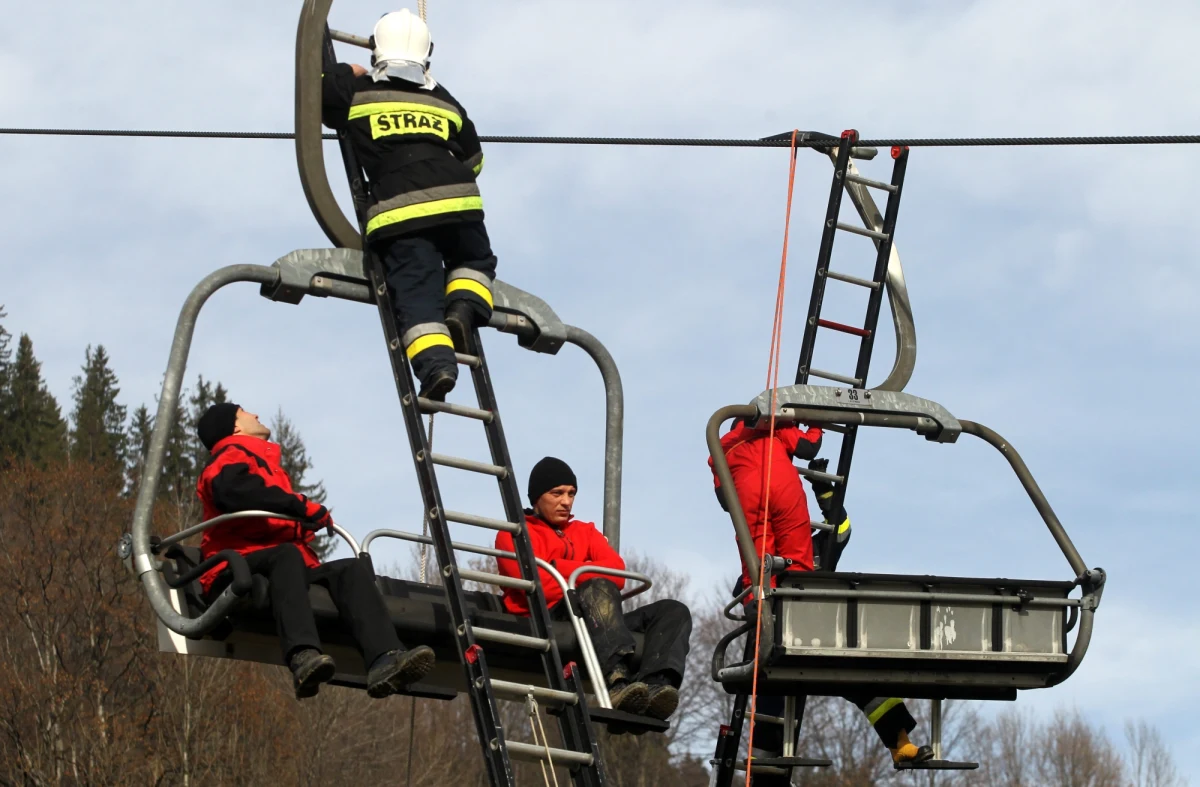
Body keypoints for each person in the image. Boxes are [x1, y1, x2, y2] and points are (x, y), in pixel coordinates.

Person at [709, 420, 932, 767]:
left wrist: (824, 492)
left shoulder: (817, 550)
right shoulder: (762, 564)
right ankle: (765, 769)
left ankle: (901, 744)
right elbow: (747, 581)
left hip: (818, 634)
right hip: (776, 641)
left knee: (865, 677)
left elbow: (841, 530)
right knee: (770, 697)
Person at [195, 402, 435, 699]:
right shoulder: (229, 458)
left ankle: (384, 658)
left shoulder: (261, 464)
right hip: (235, 567)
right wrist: (299, 506)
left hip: (276, 563)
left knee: (348, 569)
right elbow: (234, 493)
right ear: (235, 426)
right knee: (286, 554)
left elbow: (264, 510)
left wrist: (300, 521)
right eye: (245, 412)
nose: (255, 414)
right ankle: (303, 656)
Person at [322, 9, 496, 402]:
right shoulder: (443, 98)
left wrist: (348, 71)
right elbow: (475, 160)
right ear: (427, 53)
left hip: (400, 213)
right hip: (458, 202)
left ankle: (438, 368)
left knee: (417, 292)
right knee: (474, 261)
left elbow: (318, 94)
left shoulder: (358, 92)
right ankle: (464, 309)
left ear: (376, 48)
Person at [495, 457, 692, 720]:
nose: (566, 501)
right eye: (557, 493)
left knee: (673, 611)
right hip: (551, 617)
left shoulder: (584, 531)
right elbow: (537, 586)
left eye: (571, 494)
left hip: (595, 618)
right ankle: (617, 681)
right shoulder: (514, 534)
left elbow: (617, 573)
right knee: (597, 586)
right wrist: (586, 569)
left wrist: (557, 567)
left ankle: (657, 687)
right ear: (537, 497)